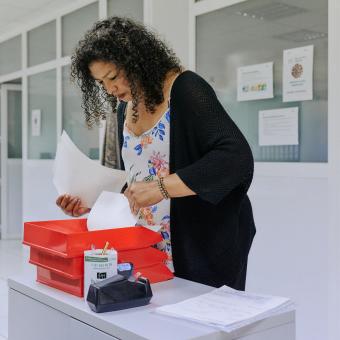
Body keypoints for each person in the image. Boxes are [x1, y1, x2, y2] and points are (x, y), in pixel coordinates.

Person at [56, 17, 256, 290]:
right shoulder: (124, 109)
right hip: (146, 243)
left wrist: (162, 188)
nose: (110, 89)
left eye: (113, 77)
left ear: (137, 59)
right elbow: (138, 179)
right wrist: (93, 204)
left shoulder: (185, 89)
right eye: (101, 83)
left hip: (199, 243)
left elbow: (235, 157)